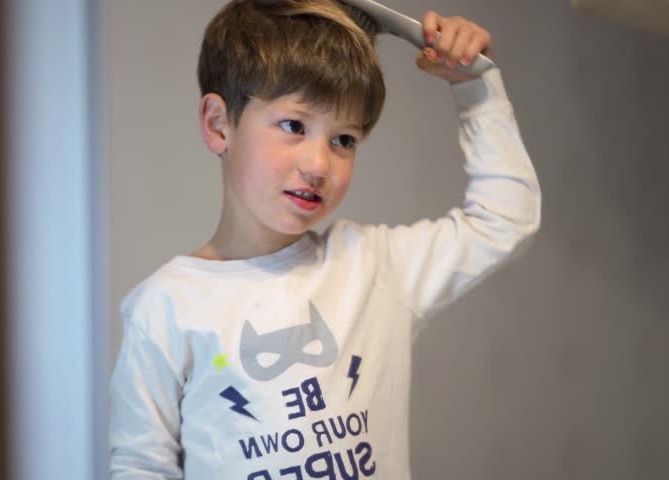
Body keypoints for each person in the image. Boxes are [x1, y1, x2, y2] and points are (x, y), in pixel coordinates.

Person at [109, 0, 540, 478]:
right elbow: (141, 465)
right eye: (294, 125)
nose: (319, 164)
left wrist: (474, 85)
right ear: (218, 123)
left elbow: (504, 219)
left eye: (344, 140)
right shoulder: (165, 308)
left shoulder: (373, 267)